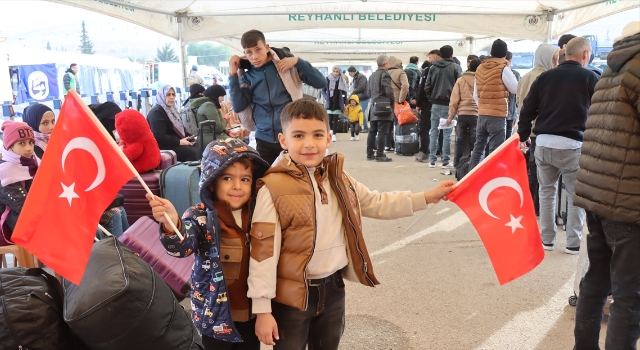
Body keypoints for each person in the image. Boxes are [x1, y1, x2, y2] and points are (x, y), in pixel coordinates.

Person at [247, 99, 456, 349]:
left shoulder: (339, 178)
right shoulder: (272, 188)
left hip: (334, 288)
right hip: (291, 296)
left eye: (317, 135)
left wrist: (426, 197)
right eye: (299, 135)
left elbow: (377, 202)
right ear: (283, 140)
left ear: (328, 138)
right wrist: (262, 310)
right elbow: (263, 252)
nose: (309, 144)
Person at [147, 138, 270, 350]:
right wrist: (171, 223)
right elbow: (183, 245)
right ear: (212, 181)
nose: (237, 186)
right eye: (228, 178)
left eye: (245, 179)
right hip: (214, 315)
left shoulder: (260, 213)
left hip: (252, 313)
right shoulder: (199, 215)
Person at [573, 21, 640, 349]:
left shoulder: (610, 72)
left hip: (598, 195)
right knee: (630, 295)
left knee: (597, 280)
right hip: (629, 201)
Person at [517, 37, 599, 254]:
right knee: (575, 196)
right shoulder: (591, 78)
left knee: (546, 192)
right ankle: (572, 243)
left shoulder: (544, 78)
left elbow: (527, 109)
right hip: (574, 145)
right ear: (584, 54)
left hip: (543, 144)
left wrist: (524, 134)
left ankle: (547, 240)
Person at [229, 29, 326, 165]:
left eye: (258, 50)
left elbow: (321, 82)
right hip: (263, 139)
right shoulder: (248, 76)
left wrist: (299, 62)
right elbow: (239, 105)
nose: (254, 56)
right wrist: (233, 74)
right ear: (244, 53)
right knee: (266, 182)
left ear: (267, 47)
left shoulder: (287, 66)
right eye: (249, 52)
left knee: (295, 180)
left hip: (290, 136)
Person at [515, 43, 560, 217]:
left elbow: (519, 102)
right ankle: (535, 208)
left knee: (529, 170)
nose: (557, 61)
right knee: (538, 173)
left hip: (526, 128)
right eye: (555, 57)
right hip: (540, 130)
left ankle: (527, 204)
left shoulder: (525, 76)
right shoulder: (547, 77)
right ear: (548, 57)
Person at [469, 39, 519, 169]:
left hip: (482, 114)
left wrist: (483, 106)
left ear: (491, 52)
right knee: (495, 151)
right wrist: (509, 68)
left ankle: (469, 176)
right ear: (505, 54)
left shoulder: (480, 67)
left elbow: (475, 93)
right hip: (497, 115)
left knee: (478, 147)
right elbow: (515, 88)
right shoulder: (503, 68)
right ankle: (491, 179)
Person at [424, 45, 462, 168]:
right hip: (449, 104)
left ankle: (432, 160)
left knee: (434, 132)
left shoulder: (433, 67)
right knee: (447, 134)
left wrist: (431, 98)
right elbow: (459, 88)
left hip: (435, 104)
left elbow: (427, 86)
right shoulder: (456, 67)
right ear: (452, 55)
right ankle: (445, 161)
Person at [0, 121, 38, 234]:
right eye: (22, 143)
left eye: (31, 143)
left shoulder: (32, 163)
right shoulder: (5, 171)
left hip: (33, 217)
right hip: (16, 226)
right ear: (10, 146)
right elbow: (23, 207)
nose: (28, 148)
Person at [148, 84, 199, 162]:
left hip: (172, 143)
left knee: (198, 146)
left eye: (173, 94)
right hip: (162, 146)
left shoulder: (172, 110)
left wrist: (188, 137)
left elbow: (176, 130)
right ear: (162, 95)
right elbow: (159, 136)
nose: (171, 97)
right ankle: (189, 173)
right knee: (190, 153)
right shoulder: (157, 112)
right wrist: (179, 142)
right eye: (168, 94)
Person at [447, 58, 480, 167]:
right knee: (474, 141)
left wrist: (451, 116)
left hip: (462, 114)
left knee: (460, 141)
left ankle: (457, 164)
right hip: (476, 115)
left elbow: (454, 100)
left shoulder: (460, 80)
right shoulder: (481, 80)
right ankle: (472, 165)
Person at [366, 55, 395, 162]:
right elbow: (389, 91)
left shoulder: (372, 75)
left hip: (374, 106)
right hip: (384, 106)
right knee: (383, 131)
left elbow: (368, 92)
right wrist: (391, 103)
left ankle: (369, 154)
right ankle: (380, 154)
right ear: (386, 63)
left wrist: (374, 98)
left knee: (372, 131)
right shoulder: (385, 75)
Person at [190, 85, 237, 150]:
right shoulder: (209, 106)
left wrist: (227, 132)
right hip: (210, 138)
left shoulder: (206, 104)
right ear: (216, 95)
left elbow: (213, 125)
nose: (223, 99)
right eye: (222, 96)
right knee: (237, 145)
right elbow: (218, 128)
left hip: (210, 136)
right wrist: (226, 119)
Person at [415, 49, 440, 163]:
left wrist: (419, 104)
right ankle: (441, 154)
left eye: (430, 58)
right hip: (445, 103)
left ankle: (425, 152)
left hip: (428, 103)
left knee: (425, 128)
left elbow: (423, 88)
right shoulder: (454, 68)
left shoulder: (428, 70)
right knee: (442, 129)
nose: (429, 60)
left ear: (434, 58)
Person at [386, 56, 410, 151]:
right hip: (397, 102)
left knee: (388, 124)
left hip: (387, 102)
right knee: (398, 123)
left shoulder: (385, 72)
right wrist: (401, 99)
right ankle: (399, 144)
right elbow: (405, 85)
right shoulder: (401, 72)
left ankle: (388, 145)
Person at [321, 65, 348, 142]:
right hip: (330, 102)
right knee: (329, 119)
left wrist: (345, 104)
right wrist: (327, 97)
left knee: (336, 119)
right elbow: (323, 90)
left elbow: (344, 93)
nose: (335, 73)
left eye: (337, 72)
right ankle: (331, 132)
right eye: (334, 71)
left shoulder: (341, 80)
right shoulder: (327, 79)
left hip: (338, 102)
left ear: (339, 72)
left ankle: (334, 135)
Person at [505, 51, 522, 138]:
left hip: (500, 113)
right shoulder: (515, 74)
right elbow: (519, 94)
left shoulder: (496, 73)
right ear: (510, 61)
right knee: (508, 137)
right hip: (511, 111)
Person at [347, 66, 369, 132]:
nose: (349, 74)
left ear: (352, 72)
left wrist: (353, 92)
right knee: (359, 112)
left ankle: (365, 128)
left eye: (349, 73)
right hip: (359, 98)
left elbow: (361, 87)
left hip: (364, 97)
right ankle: (359, 127)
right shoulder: (356, 77)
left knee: (361, 111)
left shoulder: (361, 77)